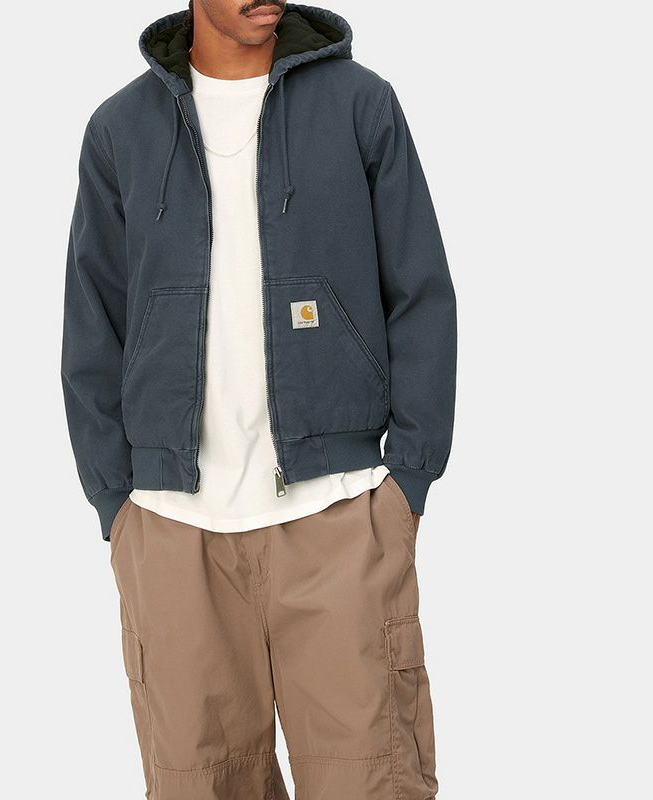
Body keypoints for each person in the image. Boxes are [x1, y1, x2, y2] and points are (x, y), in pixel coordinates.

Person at [61, 1, 456, 797]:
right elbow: (92, 325)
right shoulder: (119, 130)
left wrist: (408, 479)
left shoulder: (361, 105)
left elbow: (420, 293)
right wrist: (116, 502)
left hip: (337, 517)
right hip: (173, 531)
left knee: (370, 781)